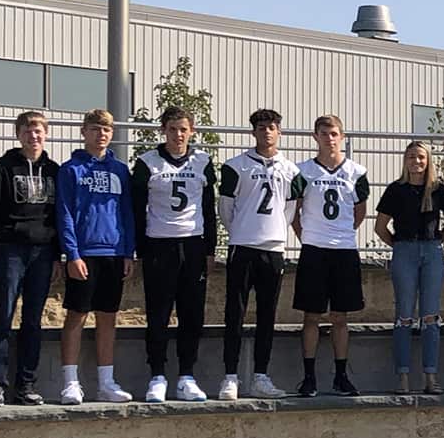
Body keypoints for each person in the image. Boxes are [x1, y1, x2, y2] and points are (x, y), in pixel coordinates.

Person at [132, 106, 217, 402]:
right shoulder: (147, 163)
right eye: (172, 129)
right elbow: (137, 209)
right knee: (158, 314)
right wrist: (139, 250)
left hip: (192, 245)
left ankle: (186, 375)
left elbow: (209, 209)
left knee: (192, 314)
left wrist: (210, 248)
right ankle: (157, 375)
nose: (178, 134)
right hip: (159, 245)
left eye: (183, 129)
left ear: (191, 131)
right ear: (163, 131)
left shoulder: (203, 162)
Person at [0, 110, 59, 406]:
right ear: (18, 134)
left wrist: (58, 256)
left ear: (45, 135)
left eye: (38, 131)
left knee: (33, 321)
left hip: (43, 253)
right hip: (9, 250)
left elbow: (59, 216)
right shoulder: (4, 167)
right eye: (27, 131)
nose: (33, 136)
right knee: (3, 316)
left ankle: (26, 385)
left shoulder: (54, 170)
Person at [216, 109, 297, 400]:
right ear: (254, 132)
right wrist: (242, 230)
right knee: (234, 313)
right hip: (242, 246)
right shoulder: (235, 166)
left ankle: (261, 375)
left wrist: (273, 230)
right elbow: (225, 209)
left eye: (272, 127)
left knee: (267, 315)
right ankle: (230, 376)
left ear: (279, 132)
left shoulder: (291, 170)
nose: (267, 132)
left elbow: (289, 210)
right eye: (261, 127)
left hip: (272, 248)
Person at [56, 107, 135, 405]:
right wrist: (72, 254)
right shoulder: (70, 170)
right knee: (77, 315)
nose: (101, 134)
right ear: (83, 131)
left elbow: (126, 212)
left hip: (114, 253)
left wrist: (128, 251)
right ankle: (70, 383)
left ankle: (106, 381)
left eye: (106, 130)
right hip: (83, 253)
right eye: (95, 129)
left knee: (108, 317)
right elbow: (64, 214)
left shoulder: (120, 171)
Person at [290, 114, 370, 397]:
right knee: (311, 316)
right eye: (324, 133)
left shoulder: (357, 172)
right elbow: (294, 212)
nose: (329, 138)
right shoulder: (302, 171)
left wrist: (341, 234)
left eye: (334, 133)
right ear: (315, 137)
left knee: (340, 317)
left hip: (344, 250)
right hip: (314, 249)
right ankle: (309, 377)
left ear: (342, 137)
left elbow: (359, 212)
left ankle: (340, 376)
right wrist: (309, 237)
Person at [375, 141, 444, 394]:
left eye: (420, 157)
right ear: (405, 160)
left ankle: (431, 376)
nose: (416, 162)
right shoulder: (396, 190)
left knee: (430, 316)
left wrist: (439, 241)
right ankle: (403, 377)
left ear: (428, 160)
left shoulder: (439, 190)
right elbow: (380, 227)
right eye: (411, 157)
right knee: (404, 316)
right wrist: (398, 245)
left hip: (431, 251)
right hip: (404, 251)